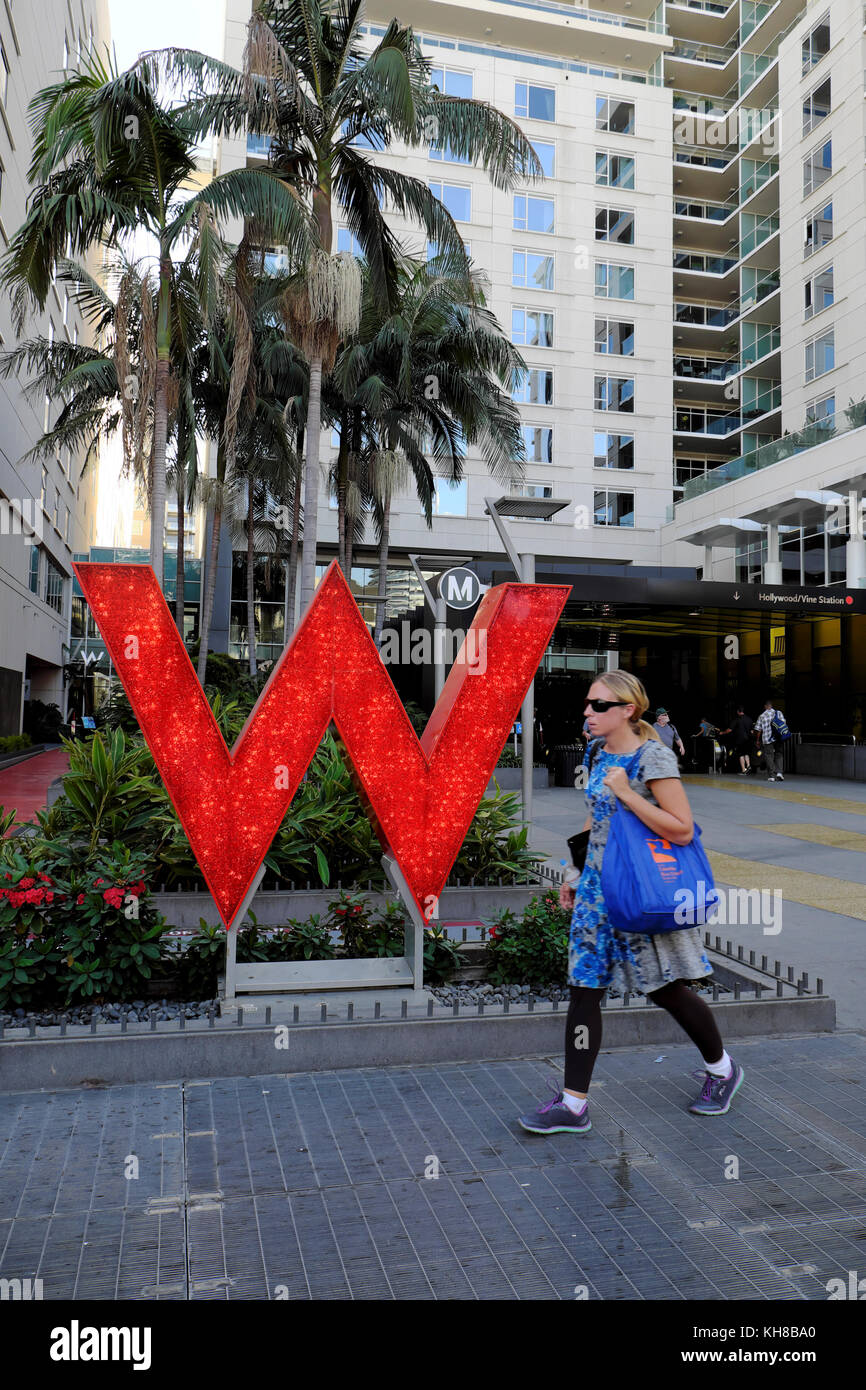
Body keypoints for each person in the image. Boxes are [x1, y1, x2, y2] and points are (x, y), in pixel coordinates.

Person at [518, 670, 744, 1135]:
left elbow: (681, 827)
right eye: (587, 704)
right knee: (584, 989)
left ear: (628, 710)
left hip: (640, 890)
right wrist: (574, 869)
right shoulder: (599, 752)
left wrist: (626, 793)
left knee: (665, 987)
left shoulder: (653, 756)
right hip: (597, 892)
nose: (588, 712)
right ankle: (573, 1102)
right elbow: (593, 815)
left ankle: (723, 1069)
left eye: (599, 705)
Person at [754, 698, 786, 782]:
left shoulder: (762, 716)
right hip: (778, 737)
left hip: (767, 739)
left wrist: (757, 740)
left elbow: (758, 729)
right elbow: (784, 723)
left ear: (765, 706)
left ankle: (772, 776)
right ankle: (779, 773)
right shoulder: (778, 713)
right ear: (771, 706)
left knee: (769, 756)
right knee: (779, 754)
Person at [719, 707, 754, 775]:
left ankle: (744, 770)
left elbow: (729, 730)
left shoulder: (737, 719)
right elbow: (752, 731)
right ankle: (749, 766)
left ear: (738, 712)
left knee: (741, 755)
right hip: (748, 739)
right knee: (746, 753)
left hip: (740, 740)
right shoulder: (749, 719)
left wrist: (722, 733)